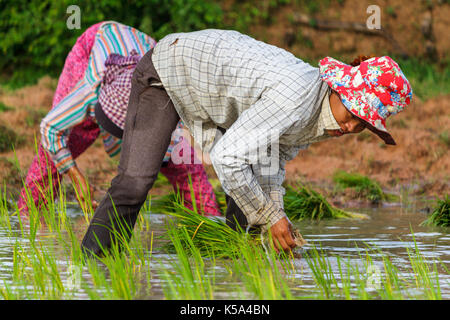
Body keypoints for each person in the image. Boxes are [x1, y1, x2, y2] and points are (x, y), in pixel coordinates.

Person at [81, 29, 412, 257]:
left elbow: (270, 160)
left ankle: (234, 273)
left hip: (219, 96)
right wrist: (271, 217)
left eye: (363, 124)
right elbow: (227, 158)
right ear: (340, 89)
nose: (351, 125)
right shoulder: (296, 98)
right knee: (136, 182)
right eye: (352, 113)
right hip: (169, 71)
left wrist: (276, 216)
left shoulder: (319, 112)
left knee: (250, 192)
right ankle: (93, 266)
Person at [17, 22, 221, 218]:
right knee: (58, 150)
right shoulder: (90, 90)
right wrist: (74, 174)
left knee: (183, 163)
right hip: (95, 44)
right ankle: (28, 218)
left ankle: (209, 221)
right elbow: (51, 129)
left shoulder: (166, 98)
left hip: (146, 60)